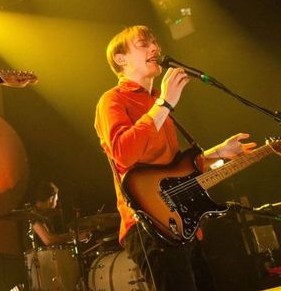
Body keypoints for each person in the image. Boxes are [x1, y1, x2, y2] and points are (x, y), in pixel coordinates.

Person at [94, 25, 256, 291]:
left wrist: (219, 152)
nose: (155, 48)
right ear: (121, 59)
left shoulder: (157, 101)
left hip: (181, 222)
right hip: (147, 224)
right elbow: (123, 153)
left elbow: (174, 171)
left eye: (155, 43)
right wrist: (165, 104)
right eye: (143, 44)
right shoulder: (112, 100)